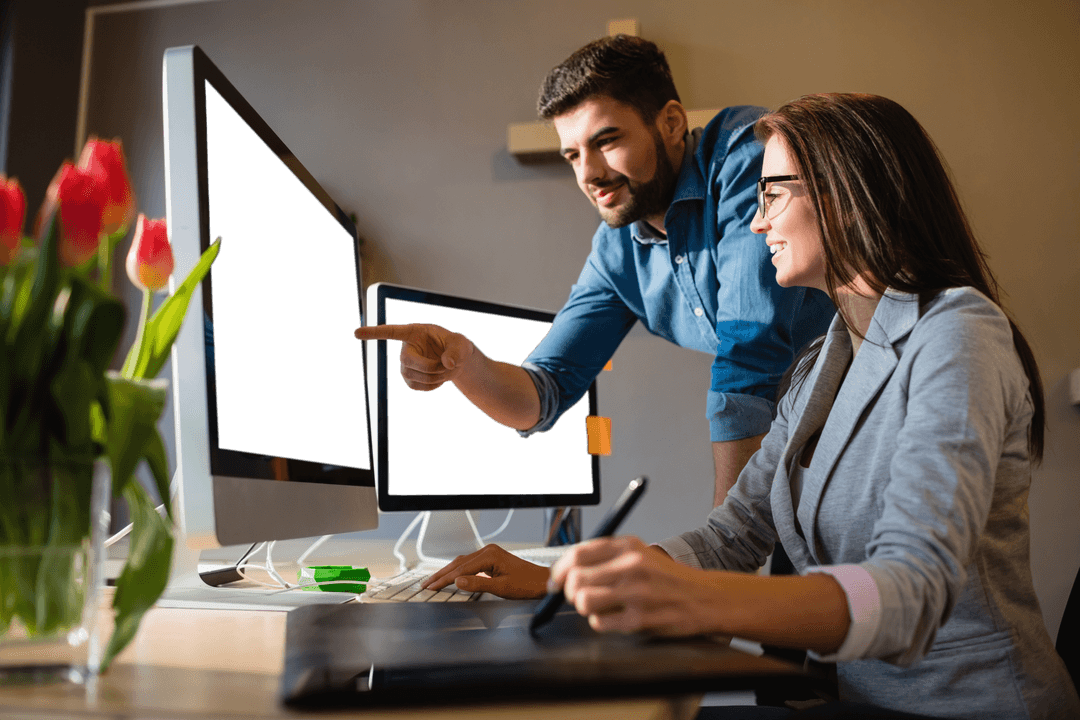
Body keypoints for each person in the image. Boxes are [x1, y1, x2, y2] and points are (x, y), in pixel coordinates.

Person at [423, 93, 1080, 719]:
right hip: (859, 702)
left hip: (966, 710)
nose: (757, 220)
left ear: (845, 196)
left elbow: (912, 596)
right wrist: (563, 578)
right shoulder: (825, 362)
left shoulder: (956, 332)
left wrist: (692, 603)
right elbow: (732, 534)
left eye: (771, 194)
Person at [355, 35, 834, 505]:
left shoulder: (748, 153)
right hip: (802, 438)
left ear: (670, 123)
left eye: (606, 141)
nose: (588, 173)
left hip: (879, 399)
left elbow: (750, 354)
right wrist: (467, 365)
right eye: (572, 155)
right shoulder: (615, 253)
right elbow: (543, 393)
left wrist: (727, 545)